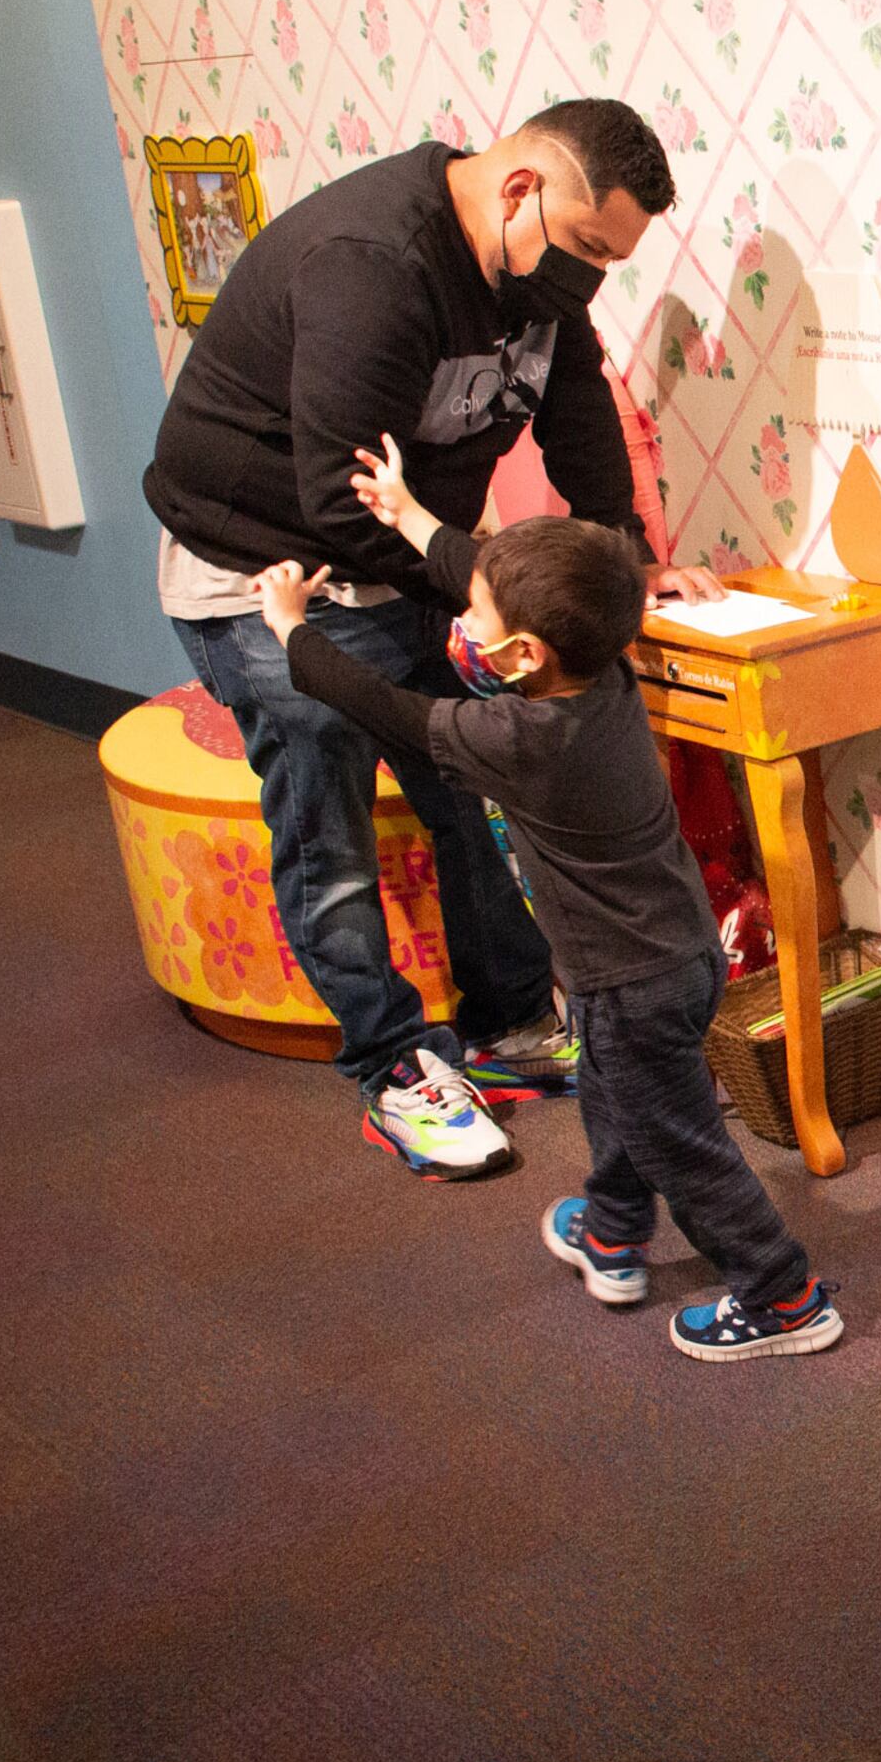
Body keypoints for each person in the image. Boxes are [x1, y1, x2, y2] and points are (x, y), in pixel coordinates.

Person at [143, 99, 696, 1179]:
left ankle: (508, 1016)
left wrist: (621, 557)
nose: (587, 282)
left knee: (484, 764)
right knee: (322, 755)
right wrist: (487, 584)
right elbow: (339, 502)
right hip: (264, 562)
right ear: (522, 188)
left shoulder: (537, 278)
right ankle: (393, 1062)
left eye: (612, 263)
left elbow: (576, 407)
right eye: (586, 250)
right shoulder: (376, 266)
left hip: (408, 550)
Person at [251, 463, 845, 1363]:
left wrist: (293, 631)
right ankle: (612, 1233)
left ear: (526, 654)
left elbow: (384, 707)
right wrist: (411, 515)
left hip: (630, 981)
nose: (460, 624)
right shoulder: (600, 675)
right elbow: (482, 565)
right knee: (616, 1098)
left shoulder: (518, 738)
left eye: (474, 620)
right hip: (661, 962)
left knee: (680, 1144)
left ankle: (781, 1294)